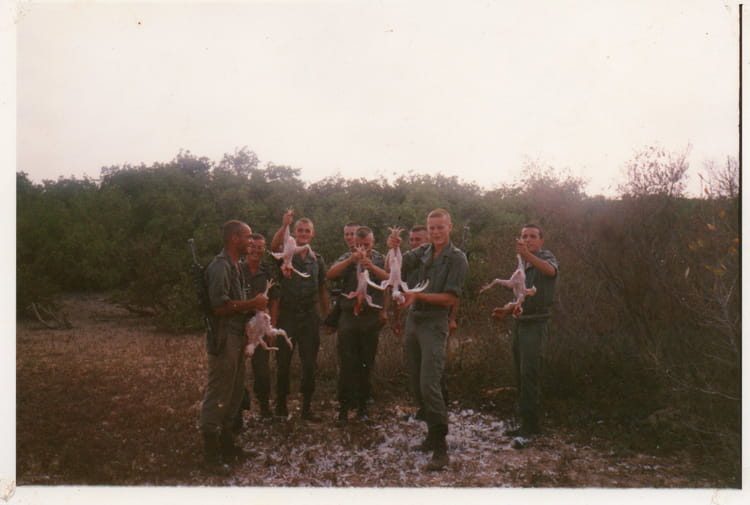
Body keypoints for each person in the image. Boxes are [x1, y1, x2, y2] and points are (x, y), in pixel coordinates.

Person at [389, 209, 468, 472]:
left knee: (429, 382)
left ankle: (440, 448)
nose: (435, 232)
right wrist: (393, 249)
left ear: (450, 227)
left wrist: (418, 296)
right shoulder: (422, 252)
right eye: (431, 228)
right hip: (414, 320)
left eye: (440, 227)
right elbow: (393, 268)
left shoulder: (457, 258)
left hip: (435, 322)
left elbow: (450, 298)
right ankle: (431, 436)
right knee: (416, 382)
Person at [200, 220, 269, 473]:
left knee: (235, 391)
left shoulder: (235, 265)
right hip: (224, 335)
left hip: (237, 334)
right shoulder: (220, 267)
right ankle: (211, 456)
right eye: (247, 237)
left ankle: (228, 446)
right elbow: (218, 307)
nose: (251, 242)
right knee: (219, 392)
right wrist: (253, 303)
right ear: (234, 239)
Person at [491, 224, 558, 439]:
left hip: (537, 323)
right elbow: (521, 296)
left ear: (541, 240)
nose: (528, 239)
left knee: (530, 372)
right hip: (521, 321)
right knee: (520, 373)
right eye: (524, 236)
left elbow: (551, 271)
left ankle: (531, 426)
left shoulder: (545, 257)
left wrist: (527, 255)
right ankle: (525, 422)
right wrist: (507, 309)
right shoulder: (523, 264)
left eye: (532, 236)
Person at [270, 209, 329, 422]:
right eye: (300, 230)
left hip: (309, 317)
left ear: (312, 234)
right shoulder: (288, 252)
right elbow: (274, 246)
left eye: (307, 231)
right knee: (283, 362)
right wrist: (284, 225)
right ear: (295, 232)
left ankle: (306, 408)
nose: (303, 234)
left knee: (309, 363)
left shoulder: (317, 260)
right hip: (287, 316)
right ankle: (281, 406)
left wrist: (327, 317)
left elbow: (322, 289)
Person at [326, 226, 388, 424]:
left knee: (366, 362)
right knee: (347, 363)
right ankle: (344, 409)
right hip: (349, 317)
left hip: (370, 317)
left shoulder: (380, 258)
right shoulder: (347, 256)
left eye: (366, 244)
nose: (362, 248)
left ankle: (362, 407)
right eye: (359, 244)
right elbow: (330, 274)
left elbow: (389, 279)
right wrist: (350, 261)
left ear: (373, 242)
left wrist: (372, 267)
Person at [239, 233, 280, 421]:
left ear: (264, 249)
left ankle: (264, 408)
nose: (255, 250)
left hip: (261, 325)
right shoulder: (237, 269)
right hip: (240, 325)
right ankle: (237, 410)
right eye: (252, 246)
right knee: (237, 369)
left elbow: (275, 300)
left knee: (262, 369)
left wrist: (272, 328)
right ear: (246, 247)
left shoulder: (268, 271)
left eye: (260, 247)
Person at [323, 222, 360, 332]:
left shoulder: (375, 256)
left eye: (352, 234)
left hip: (368, 311)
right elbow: (330, 275)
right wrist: (350, 260)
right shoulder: (345, 257)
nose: (349, 237)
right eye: (346, 234)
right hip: (348, 311)